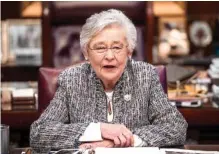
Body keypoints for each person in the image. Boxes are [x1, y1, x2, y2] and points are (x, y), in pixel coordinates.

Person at [30, 9, 188, 153]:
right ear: (86, 53)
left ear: (129, 52)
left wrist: (125, 140)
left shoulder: (145, 76)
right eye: (100, 48)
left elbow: (176, 127)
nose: (110, 56)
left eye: (117, 47)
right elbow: (39, 133)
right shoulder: (72, 80)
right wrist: (99, 130)